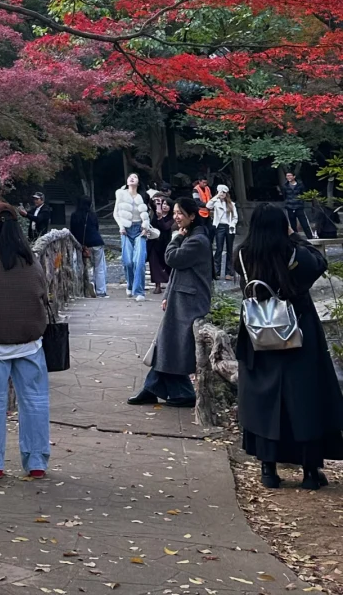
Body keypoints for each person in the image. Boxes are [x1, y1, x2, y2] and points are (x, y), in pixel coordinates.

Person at [236, 203, 343, 489]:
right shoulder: (294, 253)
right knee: (305, 400)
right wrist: (295, 235)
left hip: (258, 332)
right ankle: (310, 472)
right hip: (298, 331)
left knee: (263, 401)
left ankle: (269, 470)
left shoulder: (243, 255)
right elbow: (319, 264)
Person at [0, 202, 51, 479]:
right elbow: (43, 294)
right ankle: (37, 461)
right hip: (30, 340)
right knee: (35, 401)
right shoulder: (32, 260)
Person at [128, 196, 213, 408]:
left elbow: (172, 259)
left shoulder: (197, 240)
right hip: (181, 297)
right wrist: (167, 295)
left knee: (172, 345)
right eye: (175, 212)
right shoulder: (192, 236)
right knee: (168, 344)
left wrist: (175, 238)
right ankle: (157, 389)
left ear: (192, 216)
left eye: (180, 213)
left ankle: (174, 392)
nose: (176, 216)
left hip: (190, 301)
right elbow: (177, 271)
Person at [113, 173, 152, 300]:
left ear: (138, 182)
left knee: (139, 261)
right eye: (130, 177)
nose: (132, 178)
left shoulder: (143, 196)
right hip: (126, 230)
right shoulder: (121, 194)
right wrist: (121, 226)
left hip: (140, 229)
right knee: (128, 261)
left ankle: (139, 292)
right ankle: (130, 285)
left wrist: (146, 228)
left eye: (135, 177)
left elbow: (147, 214)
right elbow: (116, 213)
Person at [69, 195, 107, 297]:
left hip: (82, 245)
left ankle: (81, 290)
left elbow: (72, 232)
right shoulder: (93, 215)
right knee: (99, 267)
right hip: (97, 242)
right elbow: (96, 228)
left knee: (80, 267)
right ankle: (101, 291)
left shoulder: (74, 216)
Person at [207, 184, 239, 279]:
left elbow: (235, 217)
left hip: (229, 227)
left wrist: (232, 224)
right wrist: (216, 196)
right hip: (219, 226)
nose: (222, 194)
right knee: (219, 249)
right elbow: (208, 205)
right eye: (220, 192)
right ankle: (216, 271)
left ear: (227, 193)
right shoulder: (216, 203)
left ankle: (229, 272)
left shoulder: (231, 204)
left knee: (229, 249)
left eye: (224, 192)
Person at [147, 196, 174, 293]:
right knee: (154, 265)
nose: (164, 206)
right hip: (154, 242)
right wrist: (156, 201)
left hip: (166, 243)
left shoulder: (172, 218)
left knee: (167, 264)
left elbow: (165, 227)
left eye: (167, 204)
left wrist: (160, 218)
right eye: (163, 204)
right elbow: (150, 203)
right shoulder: (155, 213)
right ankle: (157, 285)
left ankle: (170, 283)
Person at [281, 172, 314, 238]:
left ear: (294, 176)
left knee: (304, 223)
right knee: (292, 225)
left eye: (290, 175)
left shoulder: (300, 185)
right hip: (289, 207)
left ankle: (310, 237)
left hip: (299, 206)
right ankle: (295, 238)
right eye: (287, 176)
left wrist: (301, 202)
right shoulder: (285, 186)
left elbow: (303, 194)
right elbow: (284, 196)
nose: (288, 177)